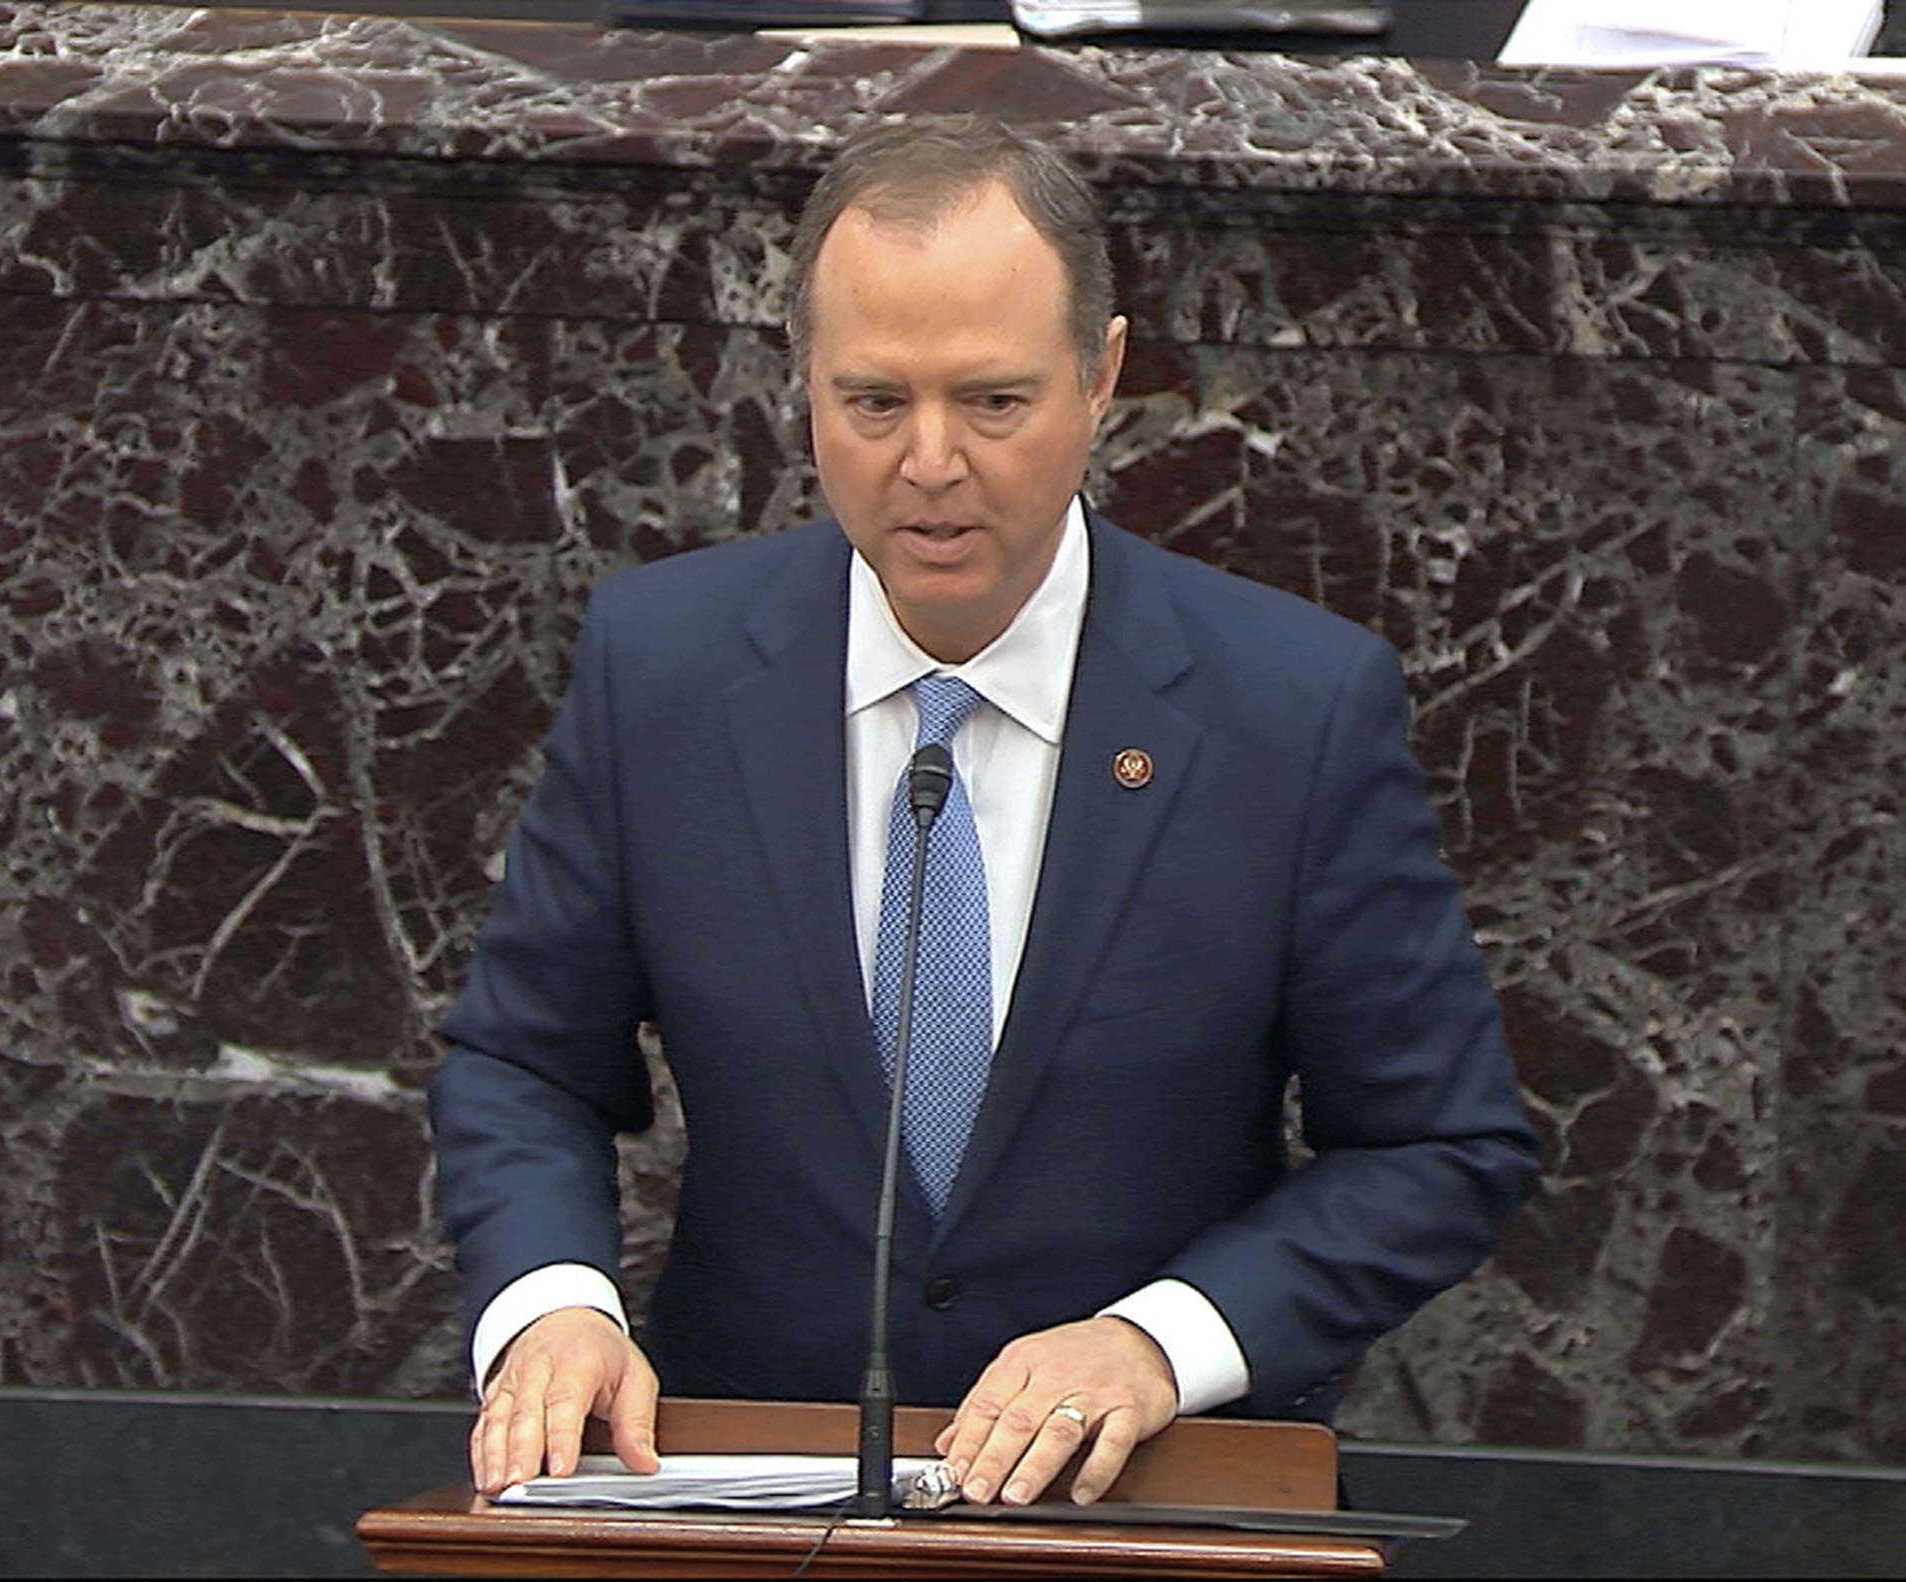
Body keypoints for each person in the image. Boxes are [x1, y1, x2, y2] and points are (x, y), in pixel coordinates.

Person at [431, 113, 1536, 1511]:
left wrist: (1161, 1341)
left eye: (994, 403)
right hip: (745, 1482)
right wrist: (551, 1301)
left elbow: (1440, 1143)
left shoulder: (1290, 709)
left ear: (1103, 377)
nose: (930, 463)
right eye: (875, 402)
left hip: (1146, 1494)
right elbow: (522, 1063)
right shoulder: (665, 671)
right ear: (804, 388)